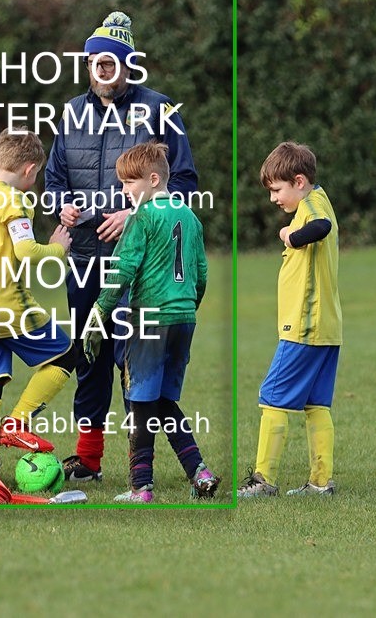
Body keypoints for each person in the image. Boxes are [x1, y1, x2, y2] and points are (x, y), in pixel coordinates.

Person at [45, 10, 198, 483]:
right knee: (88, 354)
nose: (102, 69)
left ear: (127, 63)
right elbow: (53, 182)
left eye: (110, 61)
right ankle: (88, 459)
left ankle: (140, 470)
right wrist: (61, 209)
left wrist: (135, 214)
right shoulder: (70, 112)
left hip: (143, 265)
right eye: (95, 62)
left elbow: (187, 183)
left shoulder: (160, 108)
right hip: (85, 261)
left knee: (135, 360)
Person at [83, 142, 219, 502]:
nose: (124, 190)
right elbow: (201, 274)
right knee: (162, 402)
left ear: (153, 178)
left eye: (129, 183)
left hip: (149, 318)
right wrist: (189, 309)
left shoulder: (142, 217)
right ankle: (199, 472)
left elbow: (122, 269)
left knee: (141, 403)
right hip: (183, 318)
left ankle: (140, 487)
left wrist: (99, 311)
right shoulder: (190, 217)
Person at [0, 129, 78, 473]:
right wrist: (57, 248)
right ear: (28, 169)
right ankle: (17, 422)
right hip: (5, 305)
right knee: (68, 353)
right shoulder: (13, 199)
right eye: (35, 175)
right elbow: (25, 250)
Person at [238, 142, 342, 498]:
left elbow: (321, 227)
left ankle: (263, 480)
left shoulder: (312, 208)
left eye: (277, 190)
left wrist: (290, 236)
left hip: (304, 326)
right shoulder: (320, 197)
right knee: (316, 405)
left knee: (272, 398)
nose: (273, 199)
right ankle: (320, 482)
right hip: (326, 328)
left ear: (299, 181)